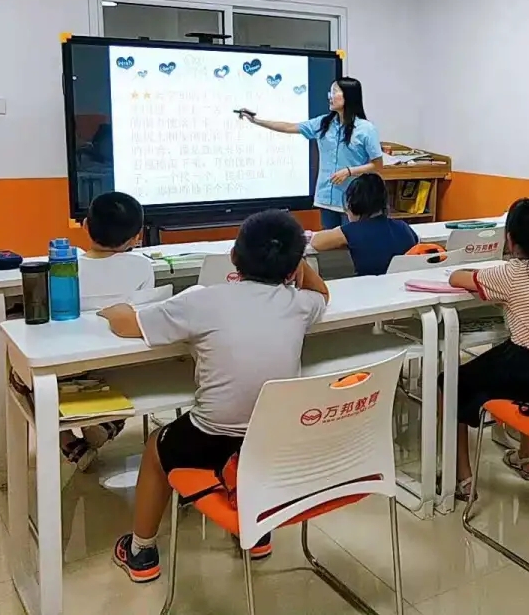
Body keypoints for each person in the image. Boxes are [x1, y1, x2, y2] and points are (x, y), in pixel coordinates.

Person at [103, 210, 330, 583]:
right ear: (293, 268)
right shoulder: (299, 304)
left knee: (156, 445)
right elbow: (322, 293)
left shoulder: (204, 301)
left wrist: (116, 311)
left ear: (234, 256)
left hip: (210, 441)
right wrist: (295, 266)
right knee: (250, 437)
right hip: (271, 446)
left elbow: (129, 326)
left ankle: (141, 550)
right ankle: (255, 533)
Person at [443, 198, 529, 499]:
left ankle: (463, 477)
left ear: (509, 239)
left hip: (527, 376)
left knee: (451, 382)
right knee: (517, 351)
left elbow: (456, 278)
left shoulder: (512, 274)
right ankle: (526, 456)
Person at [61, 191, 155, 469]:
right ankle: (107, 421)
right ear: (137, 236)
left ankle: (68, 440)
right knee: (130, 373)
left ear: (85, 225)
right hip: (124, 363)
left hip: (71, 363)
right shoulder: (142, 266)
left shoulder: (66, 267)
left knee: (19, 377)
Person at [237, 77, 383, 230]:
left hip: (354, 199)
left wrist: (349, 171)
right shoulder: (324, 123)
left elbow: (377, 165)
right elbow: (289, 127)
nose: (330, 96)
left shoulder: (366, 129)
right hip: (326, 198)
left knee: (351, 239)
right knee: (330, 241)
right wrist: (256, 121)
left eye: (334, 92)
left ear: (348, 95)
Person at [310, 173, 418, 276]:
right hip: (403, 284)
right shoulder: (403, 226)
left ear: (352, 204)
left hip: (370, 287)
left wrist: (340, 230)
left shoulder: (352, 230)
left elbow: (316, 242)